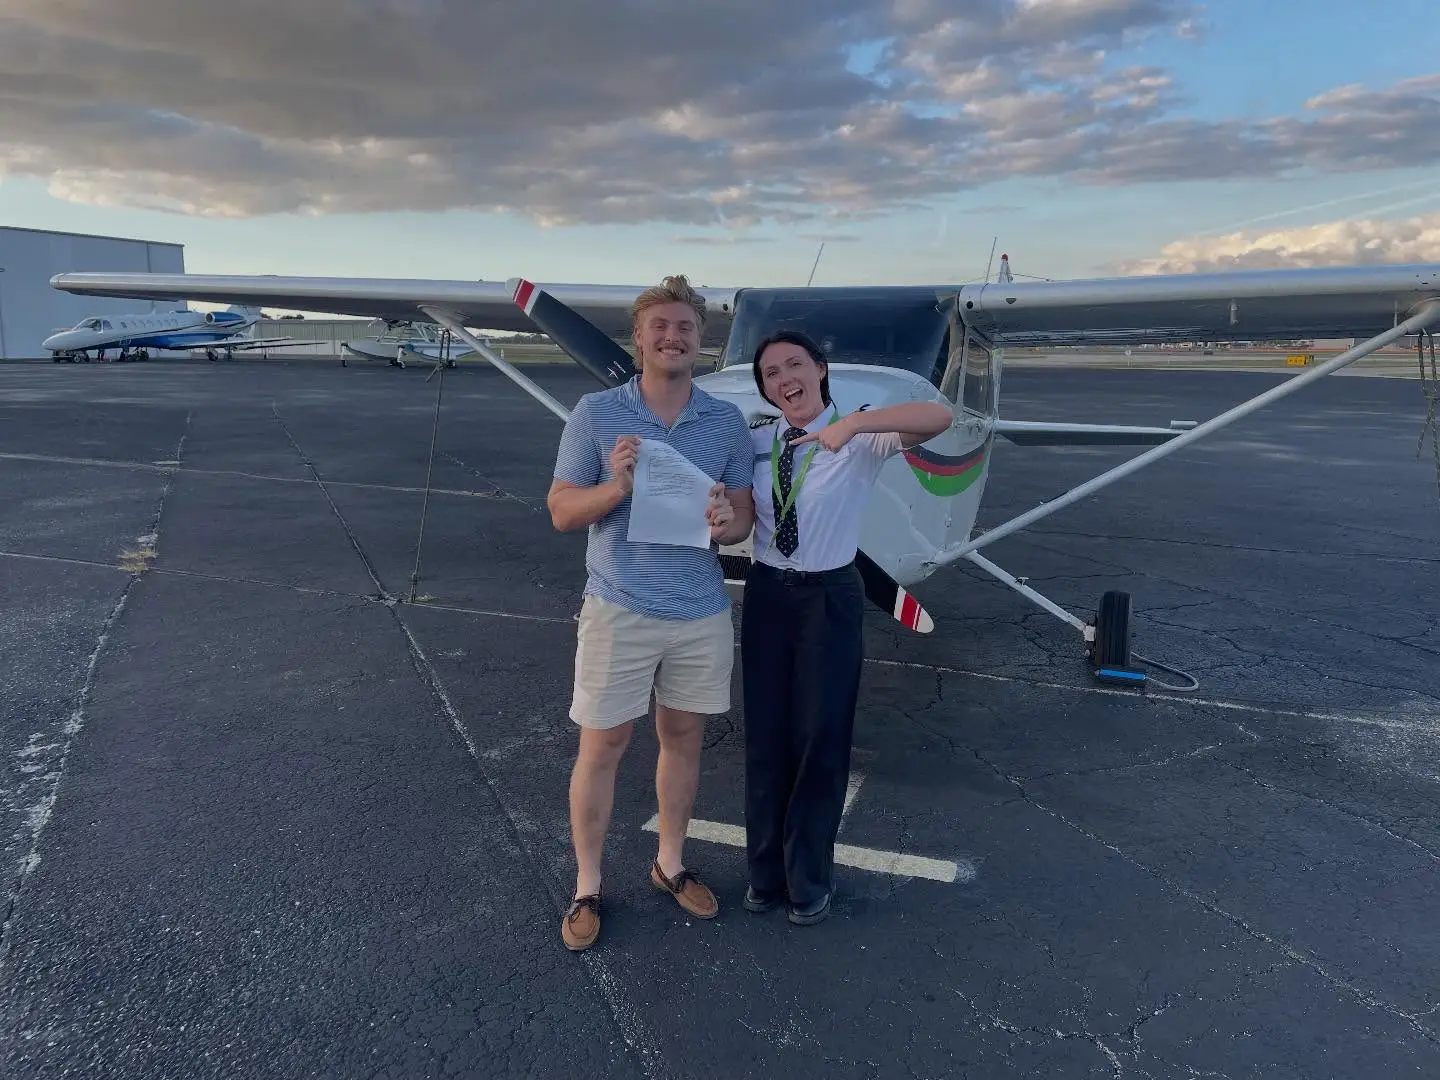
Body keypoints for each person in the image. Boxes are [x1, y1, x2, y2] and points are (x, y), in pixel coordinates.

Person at [547, 274, 755, 952]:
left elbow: (741, 517)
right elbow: (559, 511)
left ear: (701, 341)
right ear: (638, 338)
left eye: (686, 328)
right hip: (620, 607)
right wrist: (614, 487)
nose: (673, 337)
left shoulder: (724, 422)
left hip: (698, 609)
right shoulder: (596, 413)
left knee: (684, 738)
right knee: (602, 745)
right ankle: (586, 883)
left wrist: (726, 523)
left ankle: (669, 862)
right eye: (660, 327)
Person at [740, 330, 952, 925]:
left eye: (794, 364)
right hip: (766, 594)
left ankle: (808, 878)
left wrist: (854, 427)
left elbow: (939, 416)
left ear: (820, 370)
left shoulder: (861, 435)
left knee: (820, 736)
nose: (785, 378)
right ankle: (764, 874)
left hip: (827, 598)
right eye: (771, 374)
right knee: (766, 737)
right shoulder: (760, 441)